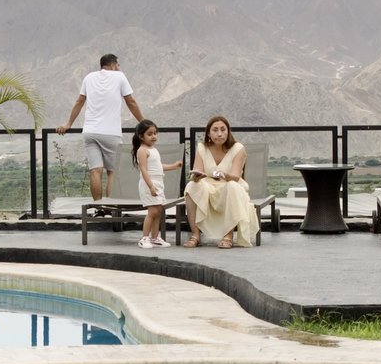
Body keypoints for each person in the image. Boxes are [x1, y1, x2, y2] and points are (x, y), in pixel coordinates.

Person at [58, 54, 147, 201]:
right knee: (112, 171)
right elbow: (130, 102)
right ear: (113, 65)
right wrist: (143, 122)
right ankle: (109, 206)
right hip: (110, 133)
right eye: (118, 65)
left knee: (96, 170)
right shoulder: (119, 77)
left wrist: (68, 124)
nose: (119, 68)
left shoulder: (88, 78)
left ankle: (98, 206)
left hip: (90, 132)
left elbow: (79, 101)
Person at [182, 114, 260, 248]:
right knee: (191, 186)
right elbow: (196, 171)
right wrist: (196, 177)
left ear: (228, 131)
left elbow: (236, 176)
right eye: (215, 130)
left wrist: (226, 175)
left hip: (230, 185)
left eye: (223, 130)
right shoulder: (202, 148)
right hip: (208, 186)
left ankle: (228, 235)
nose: (219, 134)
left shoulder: (238, 149)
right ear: (208, 133)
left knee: (232, 186)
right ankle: (195, 235)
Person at [129, 119, 177, 249]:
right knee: (152, 212)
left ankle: (155, 238)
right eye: (150, 134)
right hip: (148, 184)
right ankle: (144, 238)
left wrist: (173, 166)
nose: (154, 136)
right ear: (141, 136)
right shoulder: (142, 150)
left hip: (158, 183)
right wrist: (150, 186)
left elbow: (159, 167)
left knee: (158, 211)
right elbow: (143, 169)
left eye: (155, 133)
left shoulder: (153, 150)